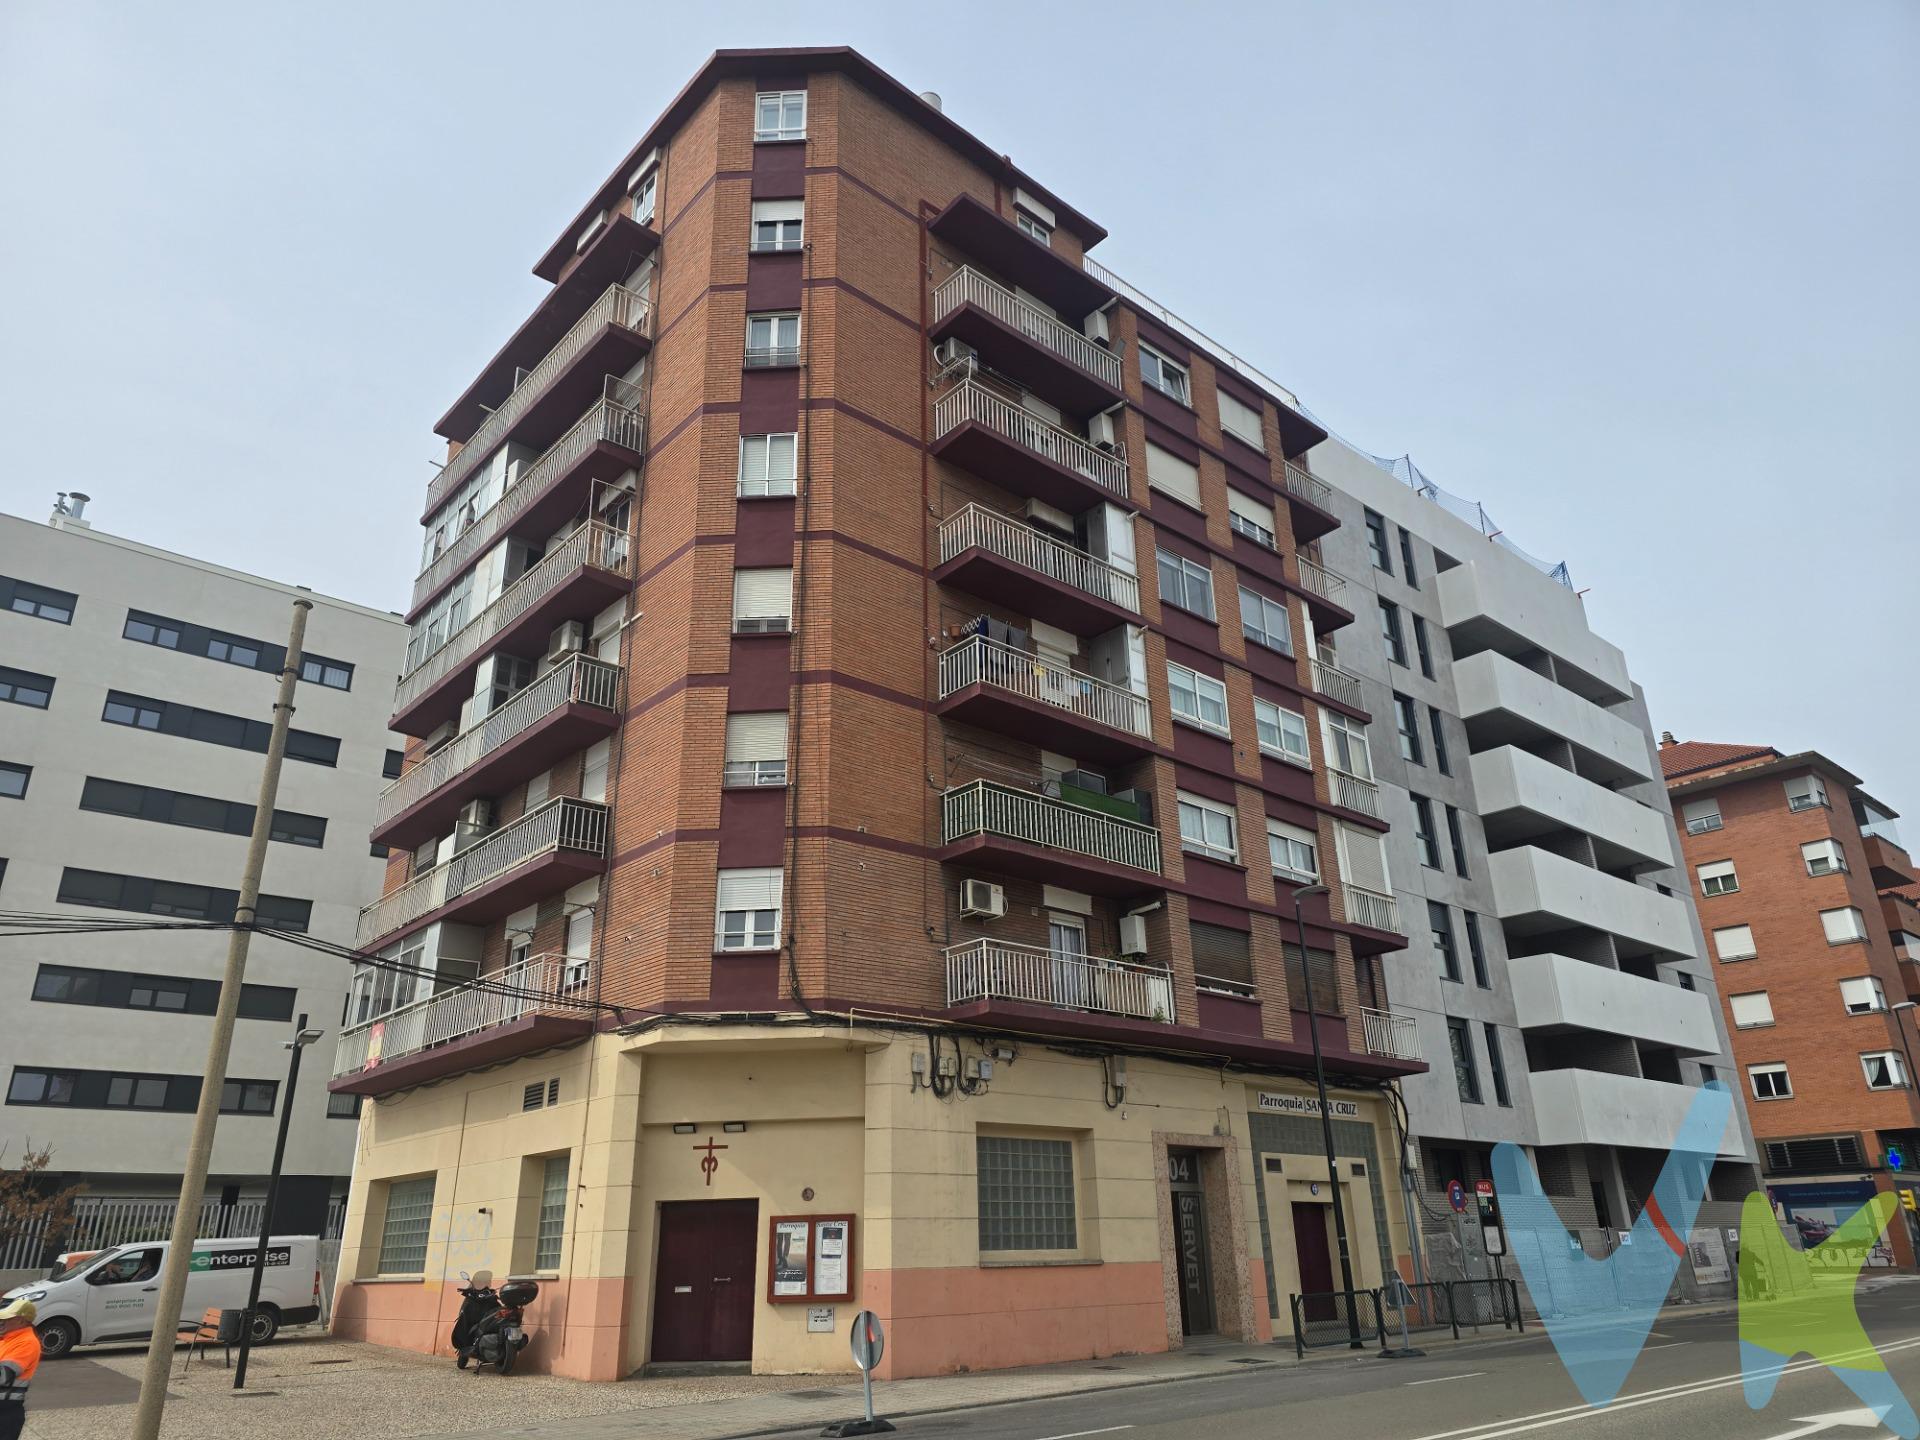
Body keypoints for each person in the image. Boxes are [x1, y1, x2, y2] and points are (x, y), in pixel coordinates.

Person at [0, 1297, 41, 1440]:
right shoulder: (6, 1339)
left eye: (7, 1318)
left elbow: (3, 1376)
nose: (2, 1321)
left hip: (5, 1413)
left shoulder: (27, 1343)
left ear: (22, 1321)